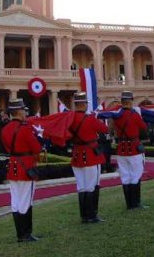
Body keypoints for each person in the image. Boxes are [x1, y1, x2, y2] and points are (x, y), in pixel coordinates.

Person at [1, 98, 42, 242]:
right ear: (18, 111)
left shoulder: (5, 129)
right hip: (26, 167)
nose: (25, 112)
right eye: (24, 110)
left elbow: (7, 148)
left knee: (16, 201)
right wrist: (39, 137)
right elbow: (37, 148)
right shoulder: (25, 129)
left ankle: (20, 234)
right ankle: (26, 234)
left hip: (13, 166)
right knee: (26, 200)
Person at [69, 91, 108, 223]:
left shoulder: (70, 119)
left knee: (81, 186)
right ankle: (91, 215)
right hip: (90, 155)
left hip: (76, 155)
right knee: (92, 185)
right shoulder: (90, 119)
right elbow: (105, 129)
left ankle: (84, 216)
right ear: (84, 104)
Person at [113, 91, 148, 209]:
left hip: (121, 149)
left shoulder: (116, 115)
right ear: (130, 101)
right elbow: (143, 127)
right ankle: (136, 202)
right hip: (133, 149)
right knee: (136, 175)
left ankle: (129, 204)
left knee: (125, 177)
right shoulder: (134, 115)